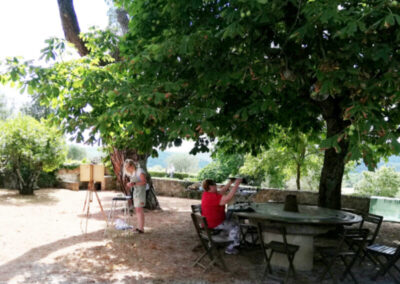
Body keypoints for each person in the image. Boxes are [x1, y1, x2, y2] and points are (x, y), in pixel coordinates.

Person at [201, 178, 242, 254]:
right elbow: (228, 198)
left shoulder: (207, 194)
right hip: (214, 224)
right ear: (211, 187)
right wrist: (236, 184)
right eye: (214, 185)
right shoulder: (213, 197)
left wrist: (230, 182)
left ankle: (224, 241)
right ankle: (230, 247)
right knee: (235, 225)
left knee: (229, 218)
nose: (216, 186)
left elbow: (221, 192)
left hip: (208, 223)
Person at [124, 159, 147, 234]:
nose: (127, 169)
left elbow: (144, 182)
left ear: (132, 165)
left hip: (141, 192)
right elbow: (135, 183)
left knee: (139, 210)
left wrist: (133, 184)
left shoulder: (139, 171)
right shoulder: (133, 173)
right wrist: (130, 184)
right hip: (136, 192)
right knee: (137, 210)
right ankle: (139, 227)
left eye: (128, 167)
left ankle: (141, 228)